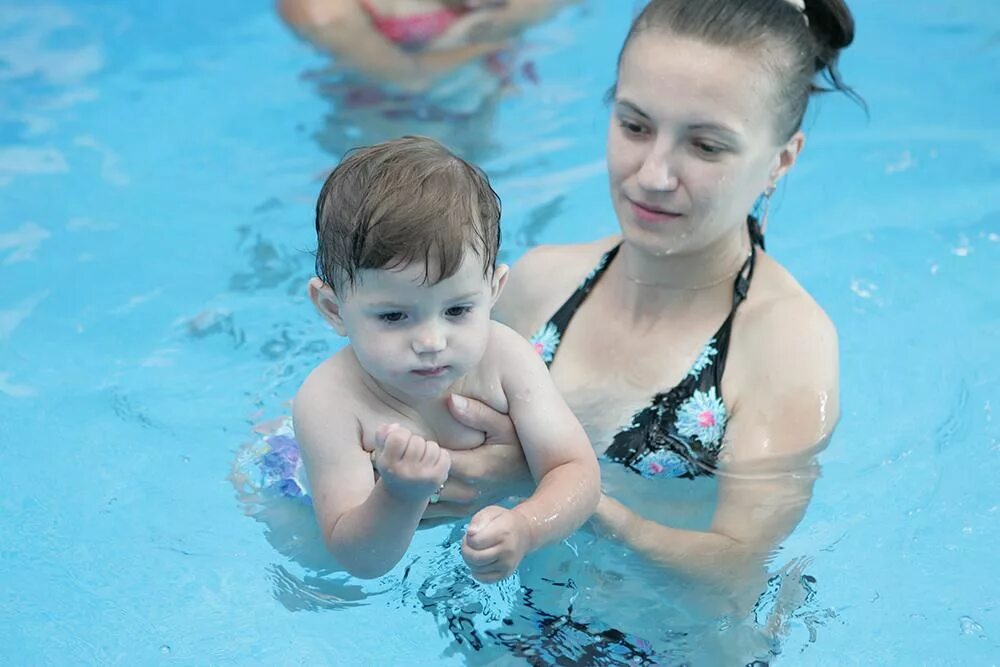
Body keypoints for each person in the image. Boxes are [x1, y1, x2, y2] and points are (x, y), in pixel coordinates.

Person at [425, 0, 859, 602]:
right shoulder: (540, 283)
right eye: (634, 126)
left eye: (705, 147)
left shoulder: (786, 346)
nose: (653, 174)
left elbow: (736, 568)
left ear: (781, 160)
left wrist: (557, 485)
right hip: (507, 621)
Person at [288, 135, 600, 583]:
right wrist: (399, 495)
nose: (432, 341)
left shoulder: (506, 357)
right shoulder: (329, 402)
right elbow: (359, 561)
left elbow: (576, 472)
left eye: (457, 310)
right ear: (334, 310)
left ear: (494, 290)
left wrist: (527, 527)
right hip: (304, 486)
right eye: (394, 316)